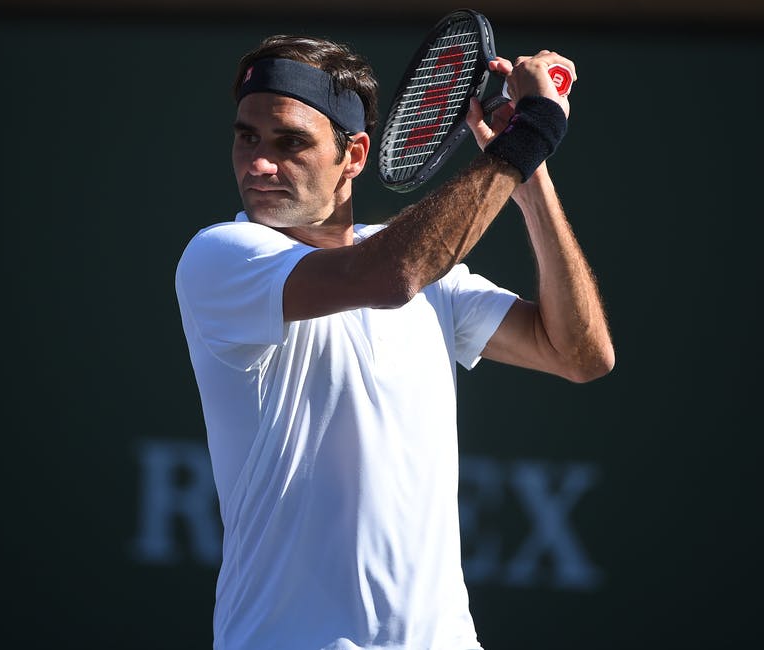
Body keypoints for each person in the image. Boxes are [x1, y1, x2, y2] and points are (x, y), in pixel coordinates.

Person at [175, 34, 614, 650]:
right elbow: (391, 275)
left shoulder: (439, 280)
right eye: (246, 137)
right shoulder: (221, 257)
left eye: (290, 143)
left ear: (352, 155)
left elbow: (580, 354)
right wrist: (531, 132)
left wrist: (529, 171)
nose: (259, 165)